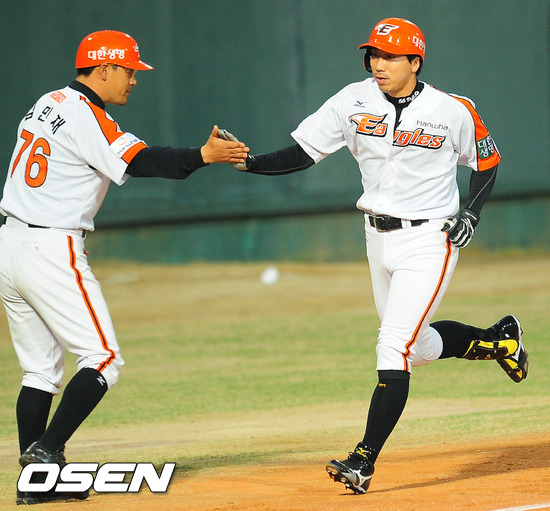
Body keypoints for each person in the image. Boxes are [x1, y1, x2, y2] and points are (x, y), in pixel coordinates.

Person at [219, 17, 529, 494]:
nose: (378, 64)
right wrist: (249, 162)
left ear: (415, 62)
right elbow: (303, 152)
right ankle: (498, 342)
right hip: (377, 237)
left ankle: (362, 461)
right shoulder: (353, 100)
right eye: (373, 55)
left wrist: (471, 213)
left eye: (389, 56)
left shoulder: (452, 110)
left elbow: (487, 162)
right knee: (416, 348)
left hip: (430, 239)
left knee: (392, 346)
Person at [0, 30, 248, 505]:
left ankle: (36, 484)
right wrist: (204, 156)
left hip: (11, 243)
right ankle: (47, 452)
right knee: (104, 359)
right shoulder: (87, 115)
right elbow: (143, 161)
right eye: (129, 71)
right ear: (105, 68)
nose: (134, 80)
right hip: (50, 248)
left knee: (40, 372)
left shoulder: (48, 101)